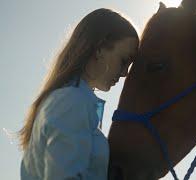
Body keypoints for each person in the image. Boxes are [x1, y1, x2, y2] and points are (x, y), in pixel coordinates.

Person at [18, 8, 139, 180]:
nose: (125, 73)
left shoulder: (70, 100)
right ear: (99, 48)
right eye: (124, 60)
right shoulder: (72, 101)